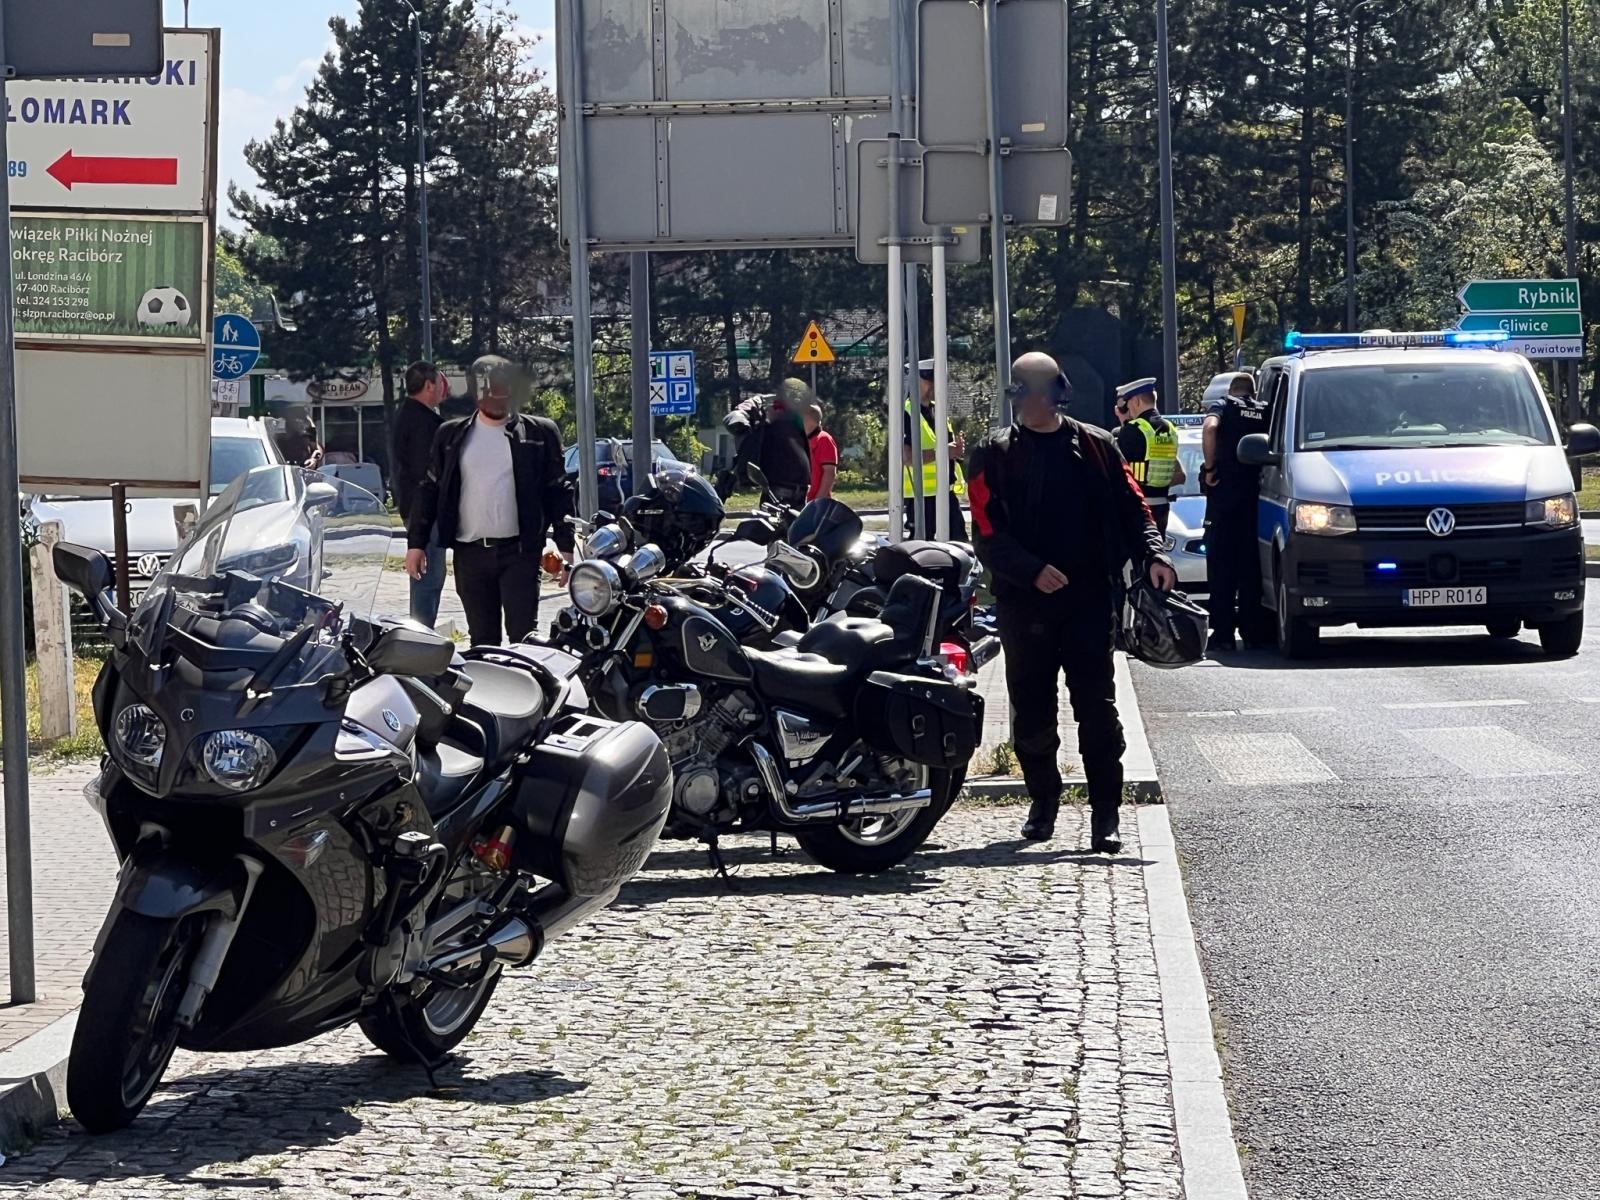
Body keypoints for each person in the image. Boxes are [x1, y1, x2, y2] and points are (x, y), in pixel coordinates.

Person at [967, 352, 1176, 852]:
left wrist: (1153, 555)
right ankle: (1044, 805)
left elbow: (1134, 508)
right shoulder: (992, 453)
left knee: (1098, 712)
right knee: (1032, 712)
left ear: (1053, 394)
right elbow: (985, 531)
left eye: (1029, 393)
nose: (1022, 403)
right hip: (1024, 604)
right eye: (1016, 393)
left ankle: (1107, 815)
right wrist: (1030, 570)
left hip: (1086, 600)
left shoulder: (1098, 445)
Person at [404, 355, 574, 646]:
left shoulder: (539, 434)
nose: (498, 397)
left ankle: (525, 690)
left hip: (520, 552)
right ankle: (488, 690)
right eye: (490, 390)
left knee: (524, 637)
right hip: (470, 554)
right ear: (476, 392)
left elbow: (558, 491)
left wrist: (566, 548)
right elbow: (429, 490)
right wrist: (416, 544)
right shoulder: (450, 436)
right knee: (483, 641)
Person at [1201, 371, 1273, 651]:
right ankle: (1254, 631)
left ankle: (1223, 635)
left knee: (1221, 565)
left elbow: (1209, 428)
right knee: (1251, 565)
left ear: (1233, 390)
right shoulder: (1265, 410)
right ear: (1253, 393)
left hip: (1225, 494)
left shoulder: (1224, 405)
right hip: (1256, 495)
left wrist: (1210, 468)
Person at [391, 360, 448, 629]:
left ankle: (423, 633)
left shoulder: (408, 415)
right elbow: (425, 473)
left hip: (415, 507)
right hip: (424, 511)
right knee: (429, 577)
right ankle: (422, 637)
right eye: (438, 383)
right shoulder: (424, 423)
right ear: (428, 386)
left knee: (431, 575)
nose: (441, 389)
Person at [904, 359, 967, 539]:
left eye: (935, 380)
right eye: (928, 379)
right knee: (923, 545)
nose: (933, 385)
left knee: (959, 543)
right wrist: (944, 452)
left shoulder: (937, 411)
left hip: (946, 492)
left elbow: (945, 447)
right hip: (921, 496)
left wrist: (955, 450)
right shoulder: (906, 413)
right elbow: (907, 457)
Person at [720, 381, 812, 505]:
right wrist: (742, 420)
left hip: (802, 489)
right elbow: (738, 415)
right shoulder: (761, 411)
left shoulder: (796, 420)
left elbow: (813, 419)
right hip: (778, 491)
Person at [1113, 377, 1184, 535]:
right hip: (1162, 507)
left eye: (1128, 402)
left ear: (1137, 401)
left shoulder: (1133, 430)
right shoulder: (1170, 429)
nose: (1128, 408)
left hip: (1138, 508)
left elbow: (1118, 470)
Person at [801, 397, 838, 501]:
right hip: (801, 500)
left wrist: (818, 501)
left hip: (815, 503)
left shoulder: (823, 439)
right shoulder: (803, 440)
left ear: (808, 418)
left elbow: (829, 473)